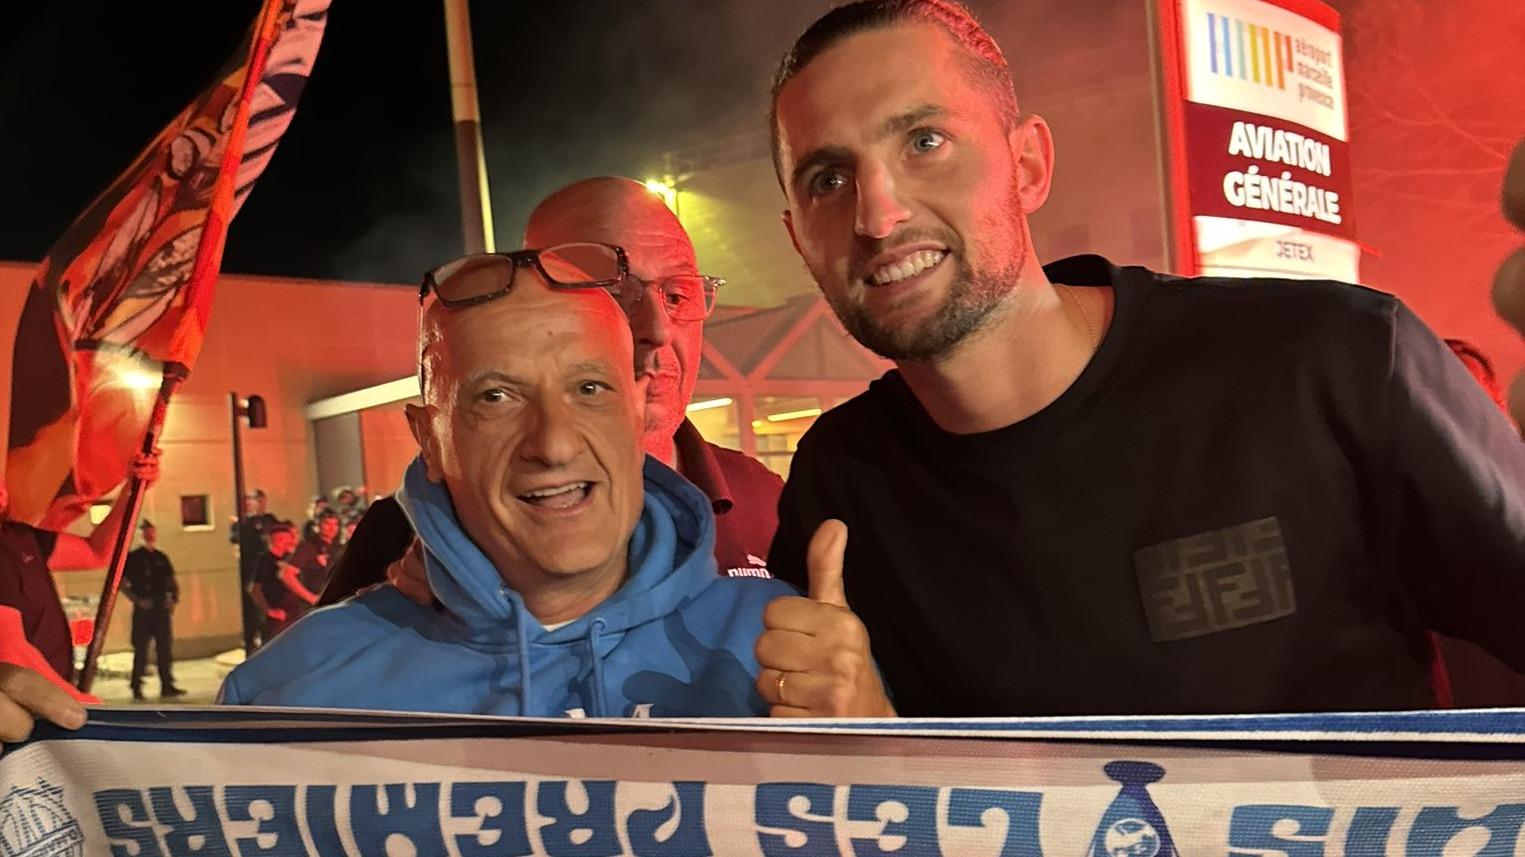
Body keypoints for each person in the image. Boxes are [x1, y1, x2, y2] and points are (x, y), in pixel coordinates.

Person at [758, 0, 1525, 717]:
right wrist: (864, 740)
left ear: (1026, 166)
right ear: (796, 238)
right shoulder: (840, 480)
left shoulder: (1329, 357)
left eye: (925, 142)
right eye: (829, 179)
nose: (877, 213)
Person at [220, 249, 796, 716]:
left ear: (638, 411)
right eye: (496, 398)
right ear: (431, 439)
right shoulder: (291, 698)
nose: (554, 443)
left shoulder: (792, 657)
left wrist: (864, 738)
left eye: (589, 389)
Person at [317, 176, 785, 606]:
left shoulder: (765, 501)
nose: (658, 329)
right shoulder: (404, 537)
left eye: (678, 295)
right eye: (610, 290)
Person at [0, 452, 160, 681]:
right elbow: (10, 651)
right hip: (25, 702)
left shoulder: (22, 538)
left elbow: (96, 552)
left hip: (52, 696)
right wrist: (71, 701)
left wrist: (132, 490)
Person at [121, 519, 184, 701]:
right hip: (143, 609)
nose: (149, 535)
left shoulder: (161, 557)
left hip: (160, 609)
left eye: (152, 531)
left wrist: (173, 600)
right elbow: (122, 584)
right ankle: (136, 686)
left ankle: (167, 685)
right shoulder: (134, 558)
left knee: (164, 648)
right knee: (141, 649)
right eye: (146, 531)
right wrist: (137, 600)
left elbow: (172, 581)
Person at [246, 522, 302, 641]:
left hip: (294, 615)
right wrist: (269, 611)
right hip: (278, 619)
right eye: (282, 539)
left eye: (288, 539)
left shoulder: (291, 559)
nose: (286, 542)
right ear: (273, 540)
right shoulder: (265, 561)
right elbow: (254, 589)